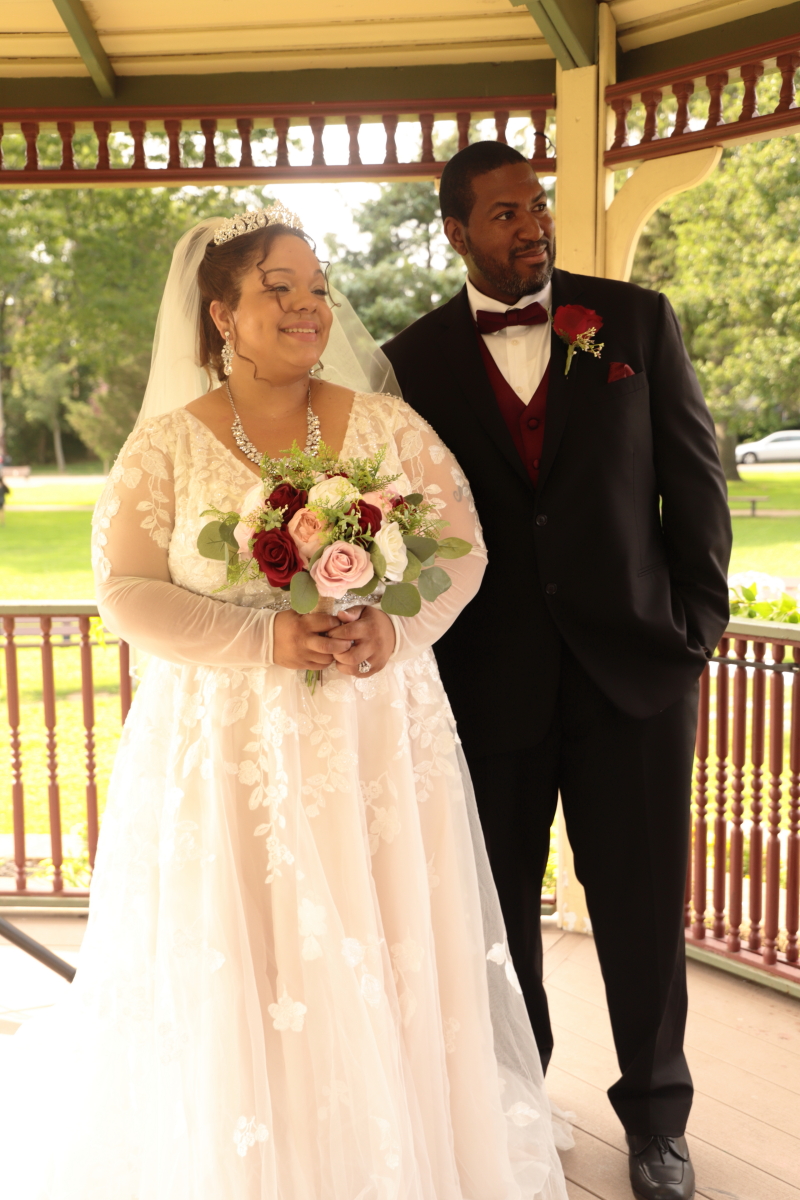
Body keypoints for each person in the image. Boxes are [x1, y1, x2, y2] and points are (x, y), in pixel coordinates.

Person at [0, 206, 570, 1200]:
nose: (308, 306)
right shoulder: (165, 446)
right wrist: (265, 635)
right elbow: (127, 592)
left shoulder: (386, 424)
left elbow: (463, 548)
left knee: (384, 942)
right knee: (247, 965)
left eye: (316, 286)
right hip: (227, 754)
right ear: (220, 313)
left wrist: (391, 627)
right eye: (279, 288)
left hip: (373, 739)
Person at [383, 143, 732, 1200]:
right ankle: (517, 1106)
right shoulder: (413, 360)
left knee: (640, 909)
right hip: (486, 688)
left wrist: (693, 634)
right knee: (497, 920)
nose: (529, 227)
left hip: (634, 678)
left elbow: (695, 480)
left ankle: (657, 1123)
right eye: (501, 215)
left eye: (534, 208)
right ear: (453, 232)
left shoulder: (632, 322)